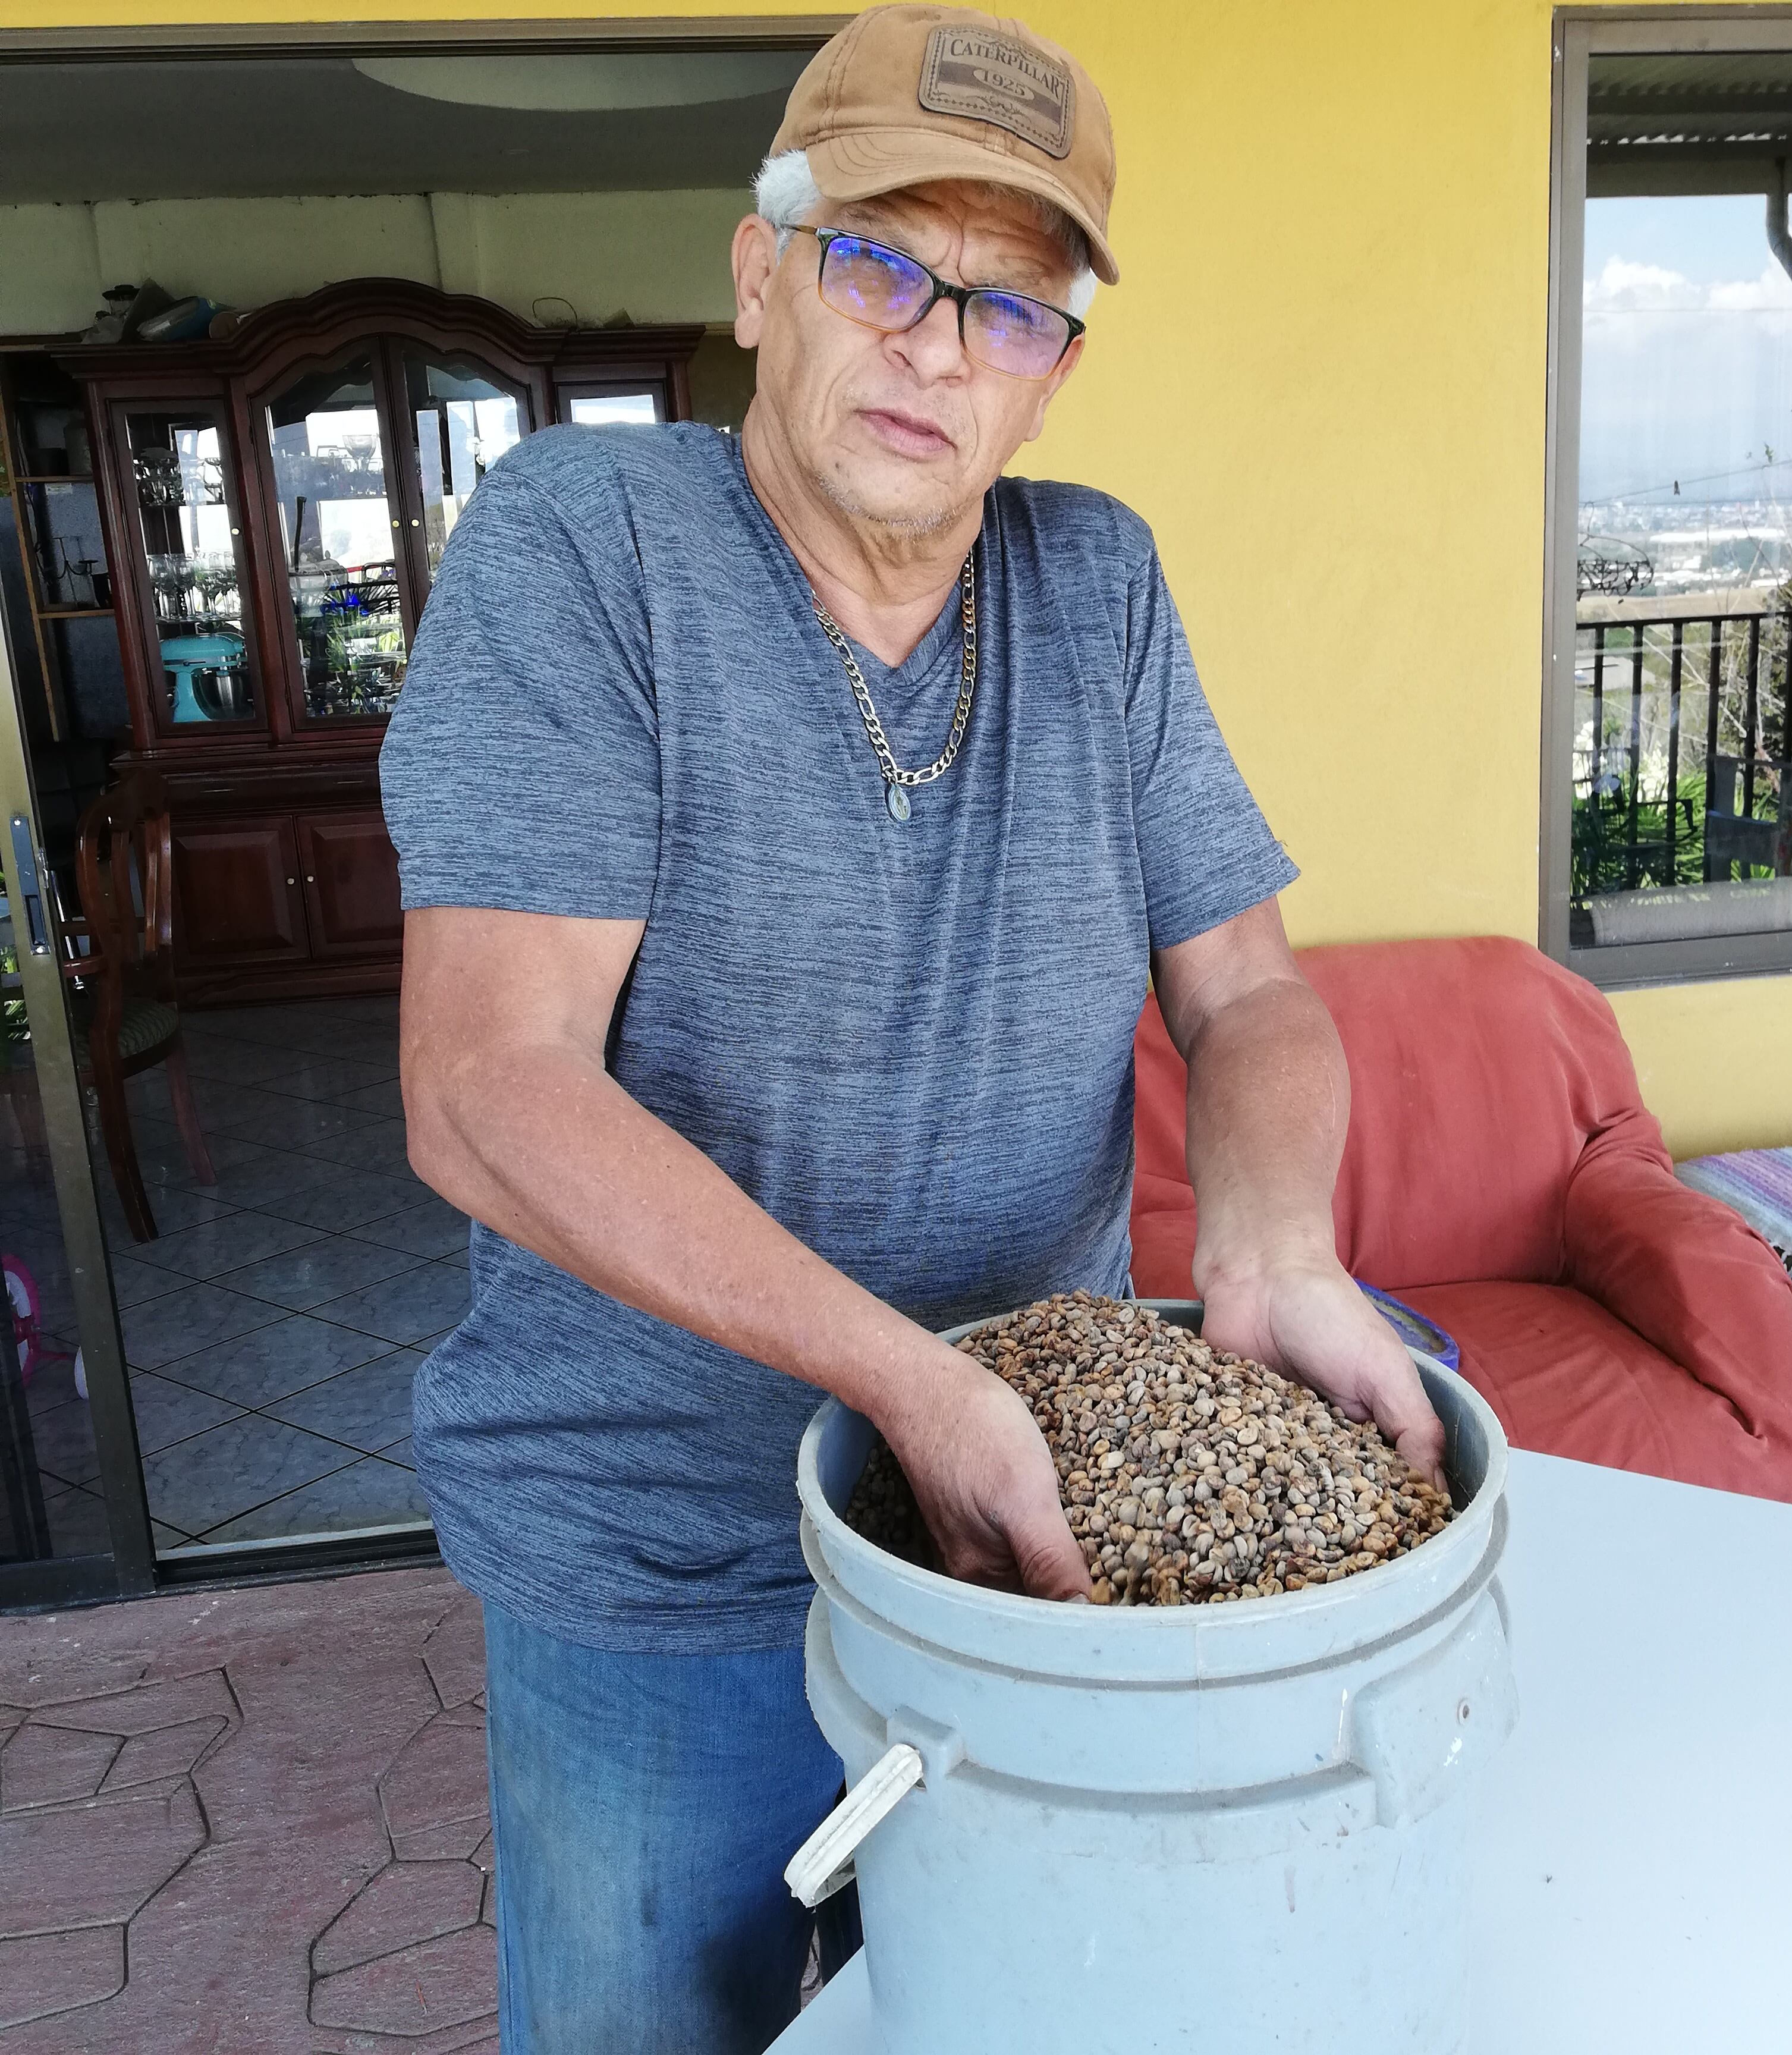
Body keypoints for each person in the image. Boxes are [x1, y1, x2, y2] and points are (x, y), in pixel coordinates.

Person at [380, 6, 1443, 2050]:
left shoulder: (1099, 584)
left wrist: (1272, 1245)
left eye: (1013, 307)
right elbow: (482, 1091)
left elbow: (1253, 991)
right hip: (661, 1560)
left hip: (1027, 1559)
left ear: (1059, 365)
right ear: (762, 269)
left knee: (1006, 2016)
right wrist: (915, 1390)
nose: (939, 346)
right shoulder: (583, 553)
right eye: (884, 262)